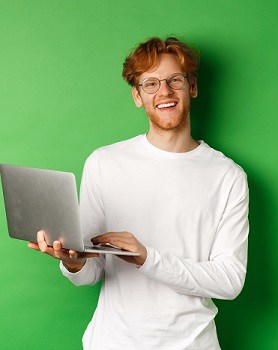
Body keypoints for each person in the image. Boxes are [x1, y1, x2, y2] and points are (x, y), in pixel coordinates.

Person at [28, 36, 250, 350]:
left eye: (175, 80)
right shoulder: (104, 163)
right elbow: (92, 270)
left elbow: (230, 281)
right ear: (137, 95)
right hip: (112, 342)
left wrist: (148, 258)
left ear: (193, 86)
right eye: (151, 84)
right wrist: (74, 262)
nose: (164, 92)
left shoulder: (228, 176)